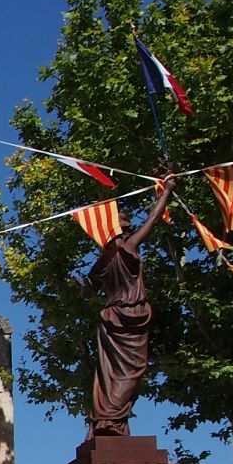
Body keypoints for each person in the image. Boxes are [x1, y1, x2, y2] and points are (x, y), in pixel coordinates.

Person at [76, 172, 175, 437]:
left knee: (110, 371)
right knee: (130, 371)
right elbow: (153, 220)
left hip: (111, 317)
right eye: (128, 227)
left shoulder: (102, 262)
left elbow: (86, 292)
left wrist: (83, 286)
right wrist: (166, 192)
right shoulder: (128, 247)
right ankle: (111, 419)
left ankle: (108, 421)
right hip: (131, 314)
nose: (130, 230)